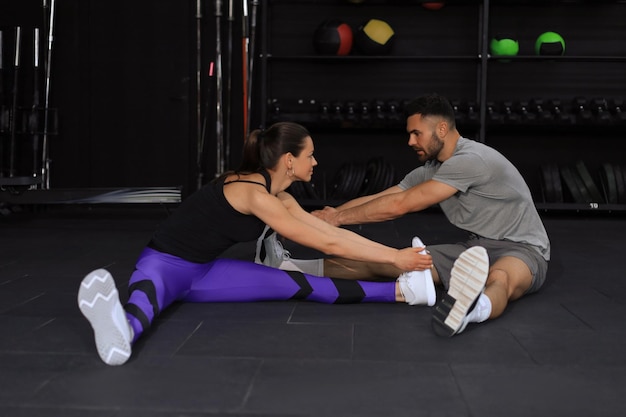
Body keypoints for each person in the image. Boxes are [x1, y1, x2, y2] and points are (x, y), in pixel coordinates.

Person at [77, 121, 436, 366]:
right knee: (147, 300)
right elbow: (326, 241)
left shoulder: (275, 192)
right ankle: (121, 331)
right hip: (162, 265)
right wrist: (396, 256)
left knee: (305, 286)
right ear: (289, 160)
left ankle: (404, 292)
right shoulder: (254, 195)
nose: (316, 161)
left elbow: (329, 233)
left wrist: (397, 262)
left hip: (207, 273)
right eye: (310, 155)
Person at [274, 93, 550, 337]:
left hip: (523, 249)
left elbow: (401, 205)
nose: (410, 141)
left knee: (500, 278)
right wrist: (329, 215)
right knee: (389, 263)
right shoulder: (433, 168)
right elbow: (387, 196)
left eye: (416, 133)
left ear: (441, 128)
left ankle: (472, 310)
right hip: (474, 249)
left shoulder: (470, 160)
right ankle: (288, 268)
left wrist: (334, 221)